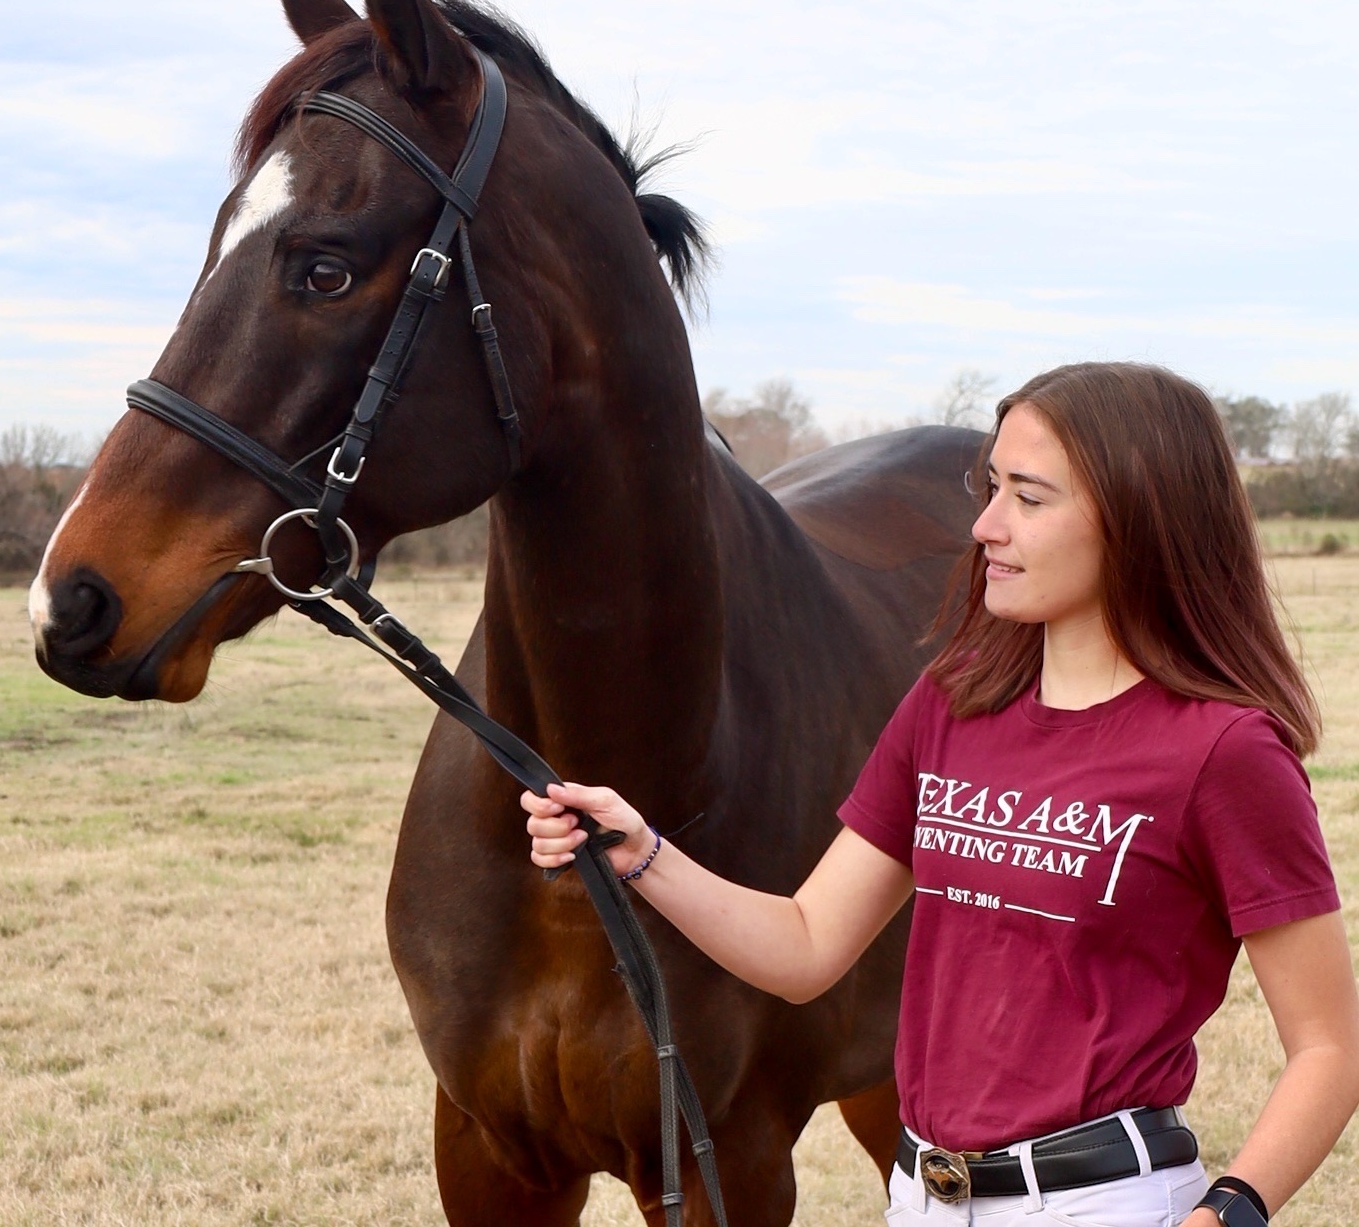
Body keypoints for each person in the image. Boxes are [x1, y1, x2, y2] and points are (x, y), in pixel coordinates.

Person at [522, 361, 1359, 1225]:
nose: (986, 525)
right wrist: (641, 853)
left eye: (1028, 498)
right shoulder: (951, 702)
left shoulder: (1224, 751)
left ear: (1137, 516)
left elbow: (1329, 1047)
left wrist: (1229, 1212)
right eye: (992, 487)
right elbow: (806, 946)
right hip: (922, 1196)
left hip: (1098, 1203)